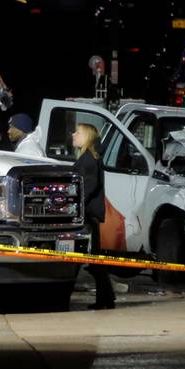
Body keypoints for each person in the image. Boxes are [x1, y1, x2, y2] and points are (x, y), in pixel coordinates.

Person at [73, 123, 115, 310]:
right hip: (90, 214)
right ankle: (106, 298)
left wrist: (76, 205)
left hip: (88, 215)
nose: (73, 134)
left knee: (94, 259)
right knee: (94, 259)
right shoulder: (89, 157)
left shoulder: (88, 159)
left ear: (87, 137)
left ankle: (105, 298)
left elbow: (88, 187)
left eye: (78, 132)